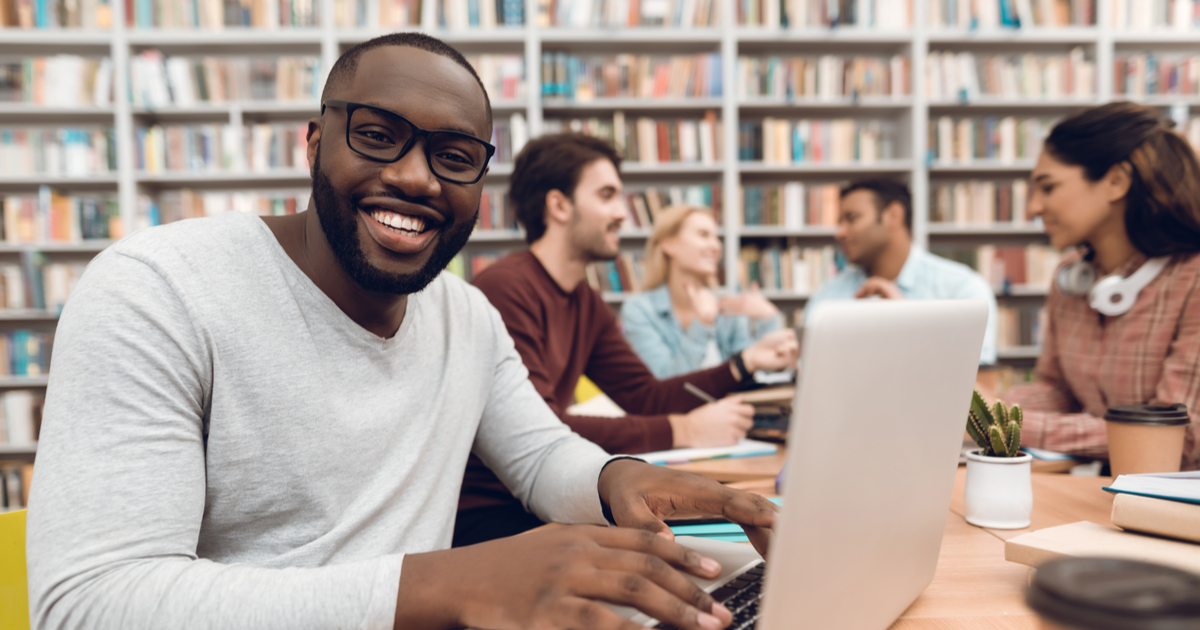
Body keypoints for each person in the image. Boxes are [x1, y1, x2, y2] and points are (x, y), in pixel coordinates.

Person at [25, 33, 779, 630]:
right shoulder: (157, 288)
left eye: (454, 158)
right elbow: (91, 604)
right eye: (379, 135)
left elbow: (540, 455)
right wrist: (442, 583)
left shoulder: (466, 316)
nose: (419, 179)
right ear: (315, 144)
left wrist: (617, 478)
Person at [458, 133, 799, 546]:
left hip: (549, 502)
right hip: (493, 515)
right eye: (607, 196)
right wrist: (682, 429)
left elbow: (644, 395)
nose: (624, 213)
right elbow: (543, 430)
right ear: (559, 205)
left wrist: (743, 362)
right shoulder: (506, 288)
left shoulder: (586, 301)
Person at [1002, 102, 1200, 469]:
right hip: (1108, 493)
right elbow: (1057, 391)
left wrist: (1009, 425)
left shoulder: (1193, 279)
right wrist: (989, 407)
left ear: (1116, 182)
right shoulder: (1071, 275)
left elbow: (1176, 436)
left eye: (1048, 187)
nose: (1032, 208)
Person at [804, 179, 999, 364]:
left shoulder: (961, 291)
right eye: (839, 223)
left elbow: (978, 383)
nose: (840, 233)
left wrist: (908, 323)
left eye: (852, 218)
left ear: (894, 216)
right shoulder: (827, 298)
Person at [620, 204, 788, 379]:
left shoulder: (728, 307)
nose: (716, 246)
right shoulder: (639, 310)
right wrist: (701, 325)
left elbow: (752, 373)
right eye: (703, 235)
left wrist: (769, 319)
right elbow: (664, 385)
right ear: (669, 245)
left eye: (716, 237)